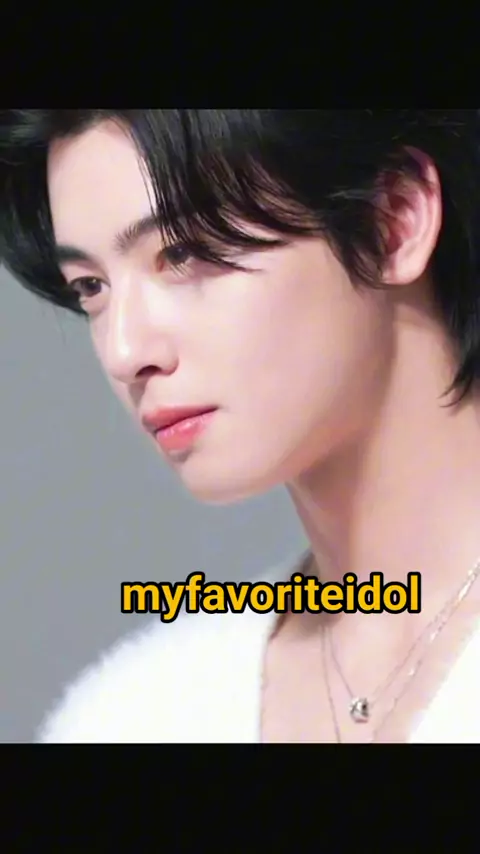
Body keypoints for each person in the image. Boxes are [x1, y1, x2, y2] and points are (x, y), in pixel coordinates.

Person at [2, 109, 480, 743]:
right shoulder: (134, 717)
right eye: (91, 287)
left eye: (181, 252)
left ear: (393, 219)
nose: (124, 351)